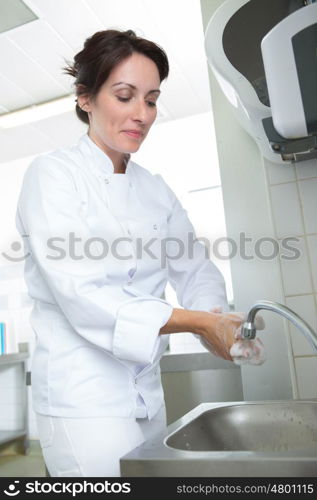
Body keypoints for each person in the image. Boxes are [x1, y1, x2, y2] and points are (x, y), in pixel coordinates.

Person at [15, 29, 250, 477]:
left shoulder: (154, 189)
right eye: (125, 96)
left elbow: (194, 268)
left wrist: (222, 324)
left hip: (146, 395)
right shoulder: (52, 176)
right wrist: (199, 323)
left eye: (152, 99)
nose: (142, 114)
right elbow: (84, 293)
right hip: (82, 402)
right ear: (86, 98)